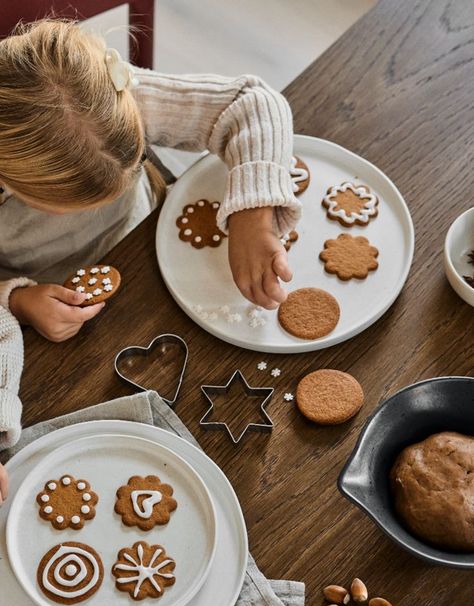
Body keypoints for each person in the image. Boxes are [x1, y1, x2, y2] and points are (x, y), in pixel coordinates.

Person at [0, 19, 301, 495]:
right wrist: (16, 300)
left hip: (148, 246)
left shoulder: (97, 100)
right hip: (55, 316)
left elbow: (252, 102)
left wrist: (254, 211)